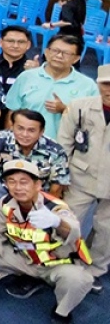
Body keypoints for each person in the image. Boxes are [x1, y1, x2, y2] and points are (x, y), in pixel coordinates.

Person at [0, 160, 95, 322]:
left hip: (53, 263)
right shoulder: (5, 203)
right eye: (12, 182)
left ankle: (61, 313)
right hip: (22, 257)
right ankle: (27, 276)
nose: (18, 187)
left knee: (78, 280)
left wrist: (56, 222)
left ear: (38, 185)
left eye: (24, 182)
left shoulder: (55, 207)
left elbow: (73, 230)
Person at [58, 64, 110, 286]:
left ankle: (94, 269)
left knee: (106, 230)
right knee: (67, 222)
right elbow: (63, 145)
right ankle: (56, 262)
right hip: (80, 176)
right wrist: (60, 178)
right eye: (106, 84)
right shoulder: (79, 107)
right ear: (98, 84)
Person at [5, 34, 98, 139]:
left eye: (66, 53)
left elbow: (94, 121)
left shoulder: (88, 85)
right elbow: (12, 111)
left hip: (63, 146)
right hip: (24, 143)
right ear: (46, 52)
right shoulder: (26, 77)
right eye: (55, 51)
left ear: (76, 59)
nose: (59, 56)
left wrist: (65, 110)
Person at [0, 109, 70, 216]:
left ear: (41, 132)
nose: (24, 134)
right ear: (12, 126)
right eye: (20, 128)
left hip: (37, 191)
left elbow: (57, 187)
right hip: (4, 184)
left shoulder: (56, 151)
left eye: (31, 130)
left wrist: (46, 208)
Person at [0, 25, 40, 90]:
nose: (15, 46)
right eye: (10, 41)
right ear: (0, 42)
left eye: (21, 42)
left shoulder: (33, 69)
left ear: (28, 45)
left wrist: (36, 73)